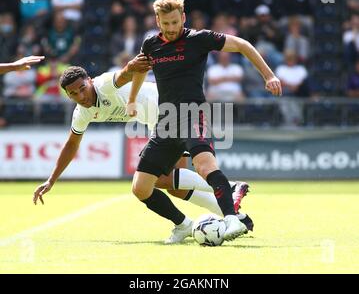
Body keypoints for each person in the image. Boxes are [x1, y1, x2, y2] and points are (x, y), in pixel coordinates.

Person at [127, 0, 281, 244]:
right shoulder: (150, 45)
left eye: (175, 22)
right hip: (166, 121)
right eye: (166, 23)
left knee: (205, 166)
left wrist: (269, 76)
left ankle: (231, 218)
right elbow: (139, 71)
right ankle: (183, 225)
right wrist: (132, 99)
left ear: (183, 17)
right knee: (141, 187)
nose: (171, 27)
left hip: (192, 114)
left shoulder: (199, 39)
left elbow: (243, 45)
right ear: (157, 21)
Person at [32, 57, 253, 233]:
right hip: (159, 120)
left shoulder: (104, 84)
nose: (81, 95)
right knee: (171, 185)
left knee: (152, 183)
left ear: (89, 80)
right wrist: (52, 179)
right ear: (68, 96)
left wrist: (134, 64)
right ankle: (233, 213)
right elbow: (71, 145)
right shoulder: (81, 113)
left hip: (170, 111)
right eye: (73, 94)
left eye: (82, 88)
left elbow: (127, 72)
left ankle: (226, 190)